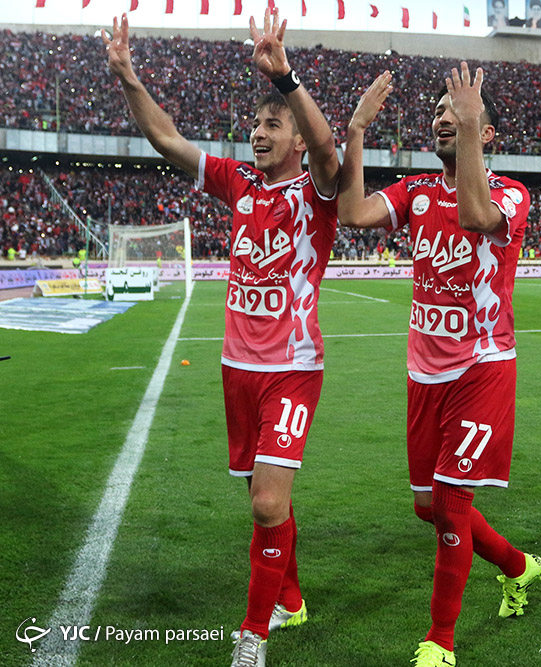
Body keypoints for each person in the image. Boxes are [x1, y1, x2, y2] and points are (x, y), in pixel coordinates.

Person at [104, 9, 341, 665]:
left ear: (293, 137)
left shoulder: (316, 190)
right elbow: (166, 139)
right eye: (257, 123)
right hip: (237, 367)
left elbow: (328, 151)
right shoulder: (236, 182)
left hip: (292, 367)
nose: (258, 133)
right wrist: (127, 75)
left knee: (268, 500)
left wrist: (288, 79)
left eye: (273, 125)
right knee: (264, 502)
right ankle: (290, 598)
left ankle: (252, 635)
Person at [339, 64, 541, 667]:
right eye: (438, 112)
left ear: (487, 133)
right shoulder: (416, 191)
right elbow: (351, 214)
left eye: (458, 112)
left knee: (451, 502)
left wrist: (472, 123)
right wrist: (355, 131)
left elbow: (478, 218)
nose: (443, 117)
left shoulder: (510, 195)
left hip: (482, 368)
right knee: (427, 506)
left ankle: (441, 641)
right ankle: (517, 564)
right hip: (423, 372)